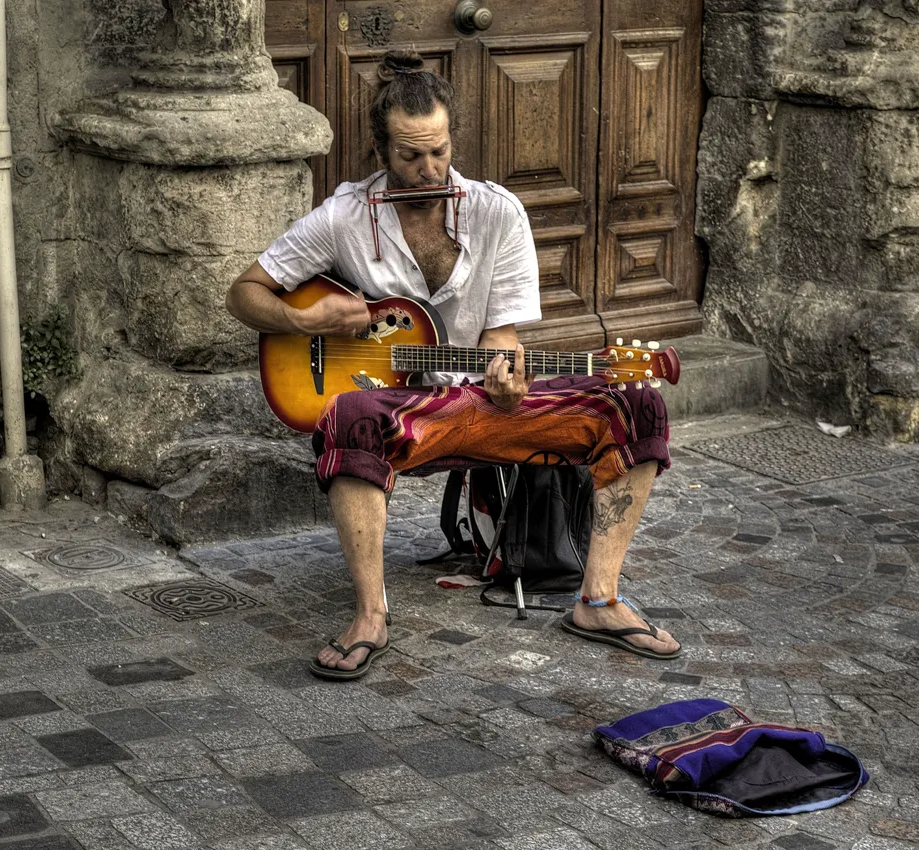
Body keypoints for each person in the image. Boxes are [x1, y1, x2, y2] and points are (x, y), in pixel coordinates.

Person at [226, 49, 680, 680]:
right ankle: (370, 616)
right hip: (399, 412)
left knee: (637, 405)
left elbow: (502, 340)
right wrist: (307, 321)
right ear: (380, 150)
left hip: (482, 405)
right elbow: (242, 292)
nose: (427, 169)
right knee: (348, 411)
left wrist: (508, 382)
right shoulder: (344, 216)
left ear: (451, 141)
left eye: (437, 152)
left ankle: (598, 599)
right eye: (410, 156)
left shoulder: (499, 213)